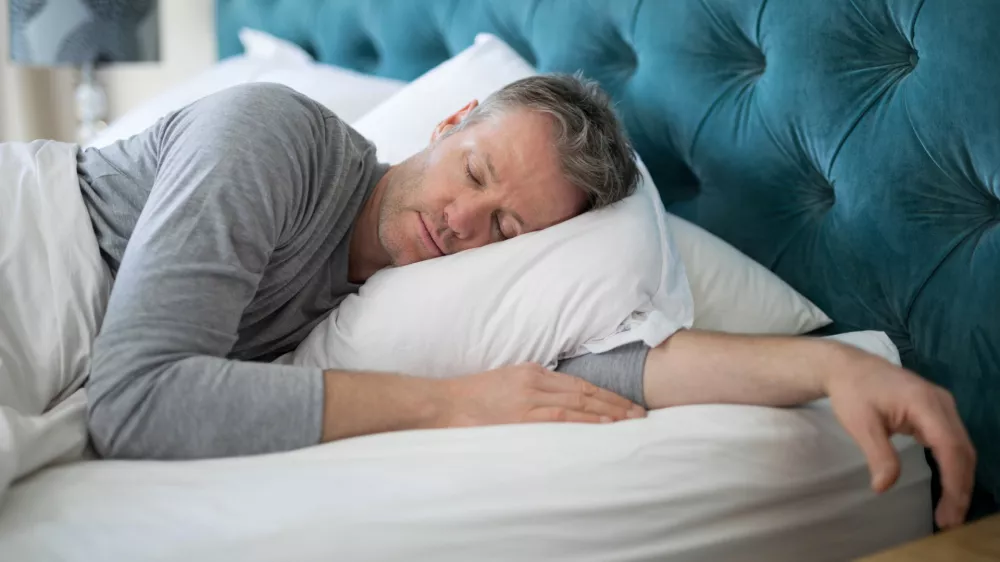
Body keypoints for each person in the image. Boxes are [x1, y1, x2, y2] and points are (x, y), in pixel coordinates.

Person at [76, 76, 974, 529]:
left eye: (508, 227)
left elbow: (618, 367)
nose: (462, 223)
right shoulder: (273, 138)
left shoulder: (392, 306)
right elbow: (137, 400)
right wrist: (451, 406)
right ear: (448, 121)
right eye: (473, 171)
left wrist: (830, 362)